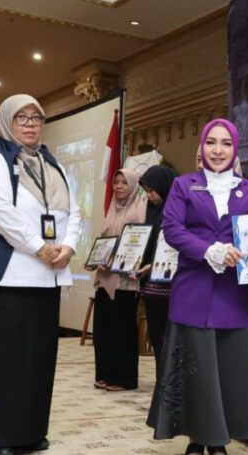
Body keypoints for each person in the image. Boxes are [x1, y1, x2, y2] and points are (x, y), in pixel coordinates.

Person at [0, 94, 81, 454]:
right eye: (21, 117)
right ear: (6, 121)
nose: (30, 124)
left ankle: (27, 433)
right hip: (2, 278)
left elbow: (73, 211)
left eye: (36, 117)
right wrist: (38, 246)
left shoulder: (51, 163)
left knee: (36, 362)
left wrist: (69, 246)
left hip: (46, 277)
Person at [148, 118, 248, 455]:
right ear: (201, 147)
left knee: (228, 369)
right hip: (193, 290)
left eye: (226, 143)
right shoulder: (183, 185)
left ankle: (218, 440)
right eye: (211, 142)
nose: (218, 150)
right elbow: (172, 229)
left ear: (235, 149)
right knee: (196, 370)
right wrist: (208, 250)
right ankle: (197, 438)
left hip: (234, 293)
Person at [91, 168, 146, 392]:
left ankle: (124, 378)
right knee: (103, 329)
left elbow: (141, 242)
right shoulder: (112, 208)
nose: (119, 186)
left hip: (125, 279)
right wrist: (97, 258)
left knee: (121, 329)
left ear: (133, 185)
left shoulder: (140, 209)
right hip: (105, 277)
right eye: (116, 182)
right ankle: (104, 374)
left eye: (124, 182)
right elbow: (105, 240)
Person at [136, 165, 179, 380]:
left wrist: (153, 265)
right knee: (158, 338)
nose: (149, 195)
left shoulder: (178, 210)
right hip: (152, 287)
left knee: (173, 339)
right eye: (146, 191)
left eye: (152, 191)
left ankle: (173, 385)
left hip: (174, 287)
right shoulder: (152, 210)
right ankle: (161, 385)